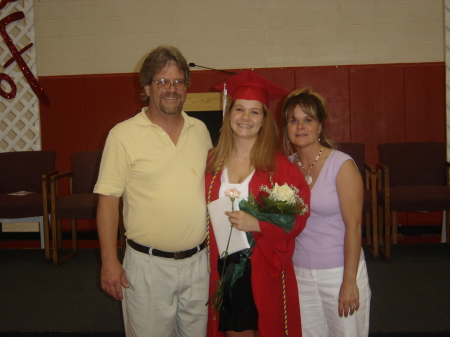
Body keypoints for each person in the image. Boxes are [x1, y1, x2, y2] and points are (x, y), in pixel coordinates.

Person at [94, 45, 212, 337]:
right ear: (146, 87)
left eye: (178, 81)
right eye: (161, 81)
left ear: (186, 87)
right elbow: (108, 202)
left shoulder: (201, 131)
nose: (171, 89)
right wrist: (109, 261)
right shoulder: (122, 135)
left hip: (199, 265)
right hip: (147, 269)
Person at [206, 71, 310, 337]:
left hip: (261, 268)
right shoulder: (211, 164)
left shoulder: (278, 169)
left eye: (255, 112)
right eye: (239, 109)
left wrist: (259, 223)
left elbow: (295, 220)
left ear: (264, 120)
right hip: (222, 269)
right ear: (229, 115)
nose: (245, 118)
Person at [282, 87, 371, 337]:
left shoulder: (341, 165)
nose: (300, 126)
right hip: (299, 272)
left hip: (339, 271)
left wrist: (349, 281)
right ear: (286, 127)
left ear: (320, 126)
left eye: (307, 119)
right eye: (293, 120)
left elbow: (354, 226)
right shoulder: (285, 166)